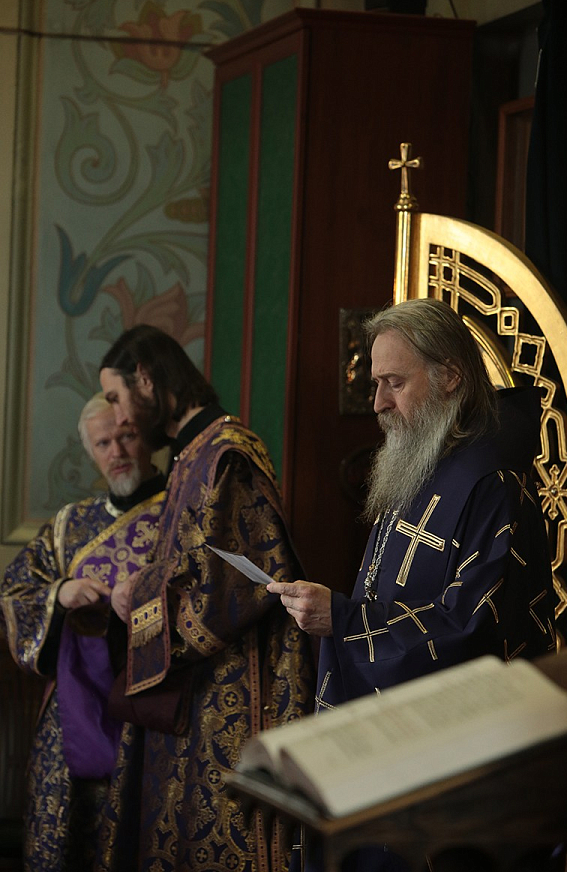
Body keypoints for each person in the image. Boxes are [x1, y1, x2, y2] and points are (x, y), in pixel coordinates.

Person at [268, 298, 556, 871]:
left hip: (453, 770)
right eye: (376, 384)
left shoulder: (492, 482)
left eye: (394, 383)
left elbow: (476, 632)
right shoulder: (417, 462)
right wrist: (342, 614)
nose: (378, 403)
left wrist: (343, 619)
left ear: (450, 376)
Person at [97, 324, 315, 872]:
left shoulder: (225, 456)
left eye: (116, 398)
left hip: (232, 695)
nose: (118, 419)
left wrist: (137, 594)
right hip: (196, 692)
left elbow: (229, 588)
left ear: (146, 379)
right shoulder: (191, 456)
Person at [0, 393, 166, 872]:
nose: (117, 451)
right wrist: (61, 593)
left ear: (147, 436)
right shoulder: (68, 525)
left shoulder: (180, 511)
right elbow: (15, 591)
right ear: (91, 451)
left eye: (126, 436)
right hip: (72, 710)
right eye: (103, 443)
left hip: (147, 706)